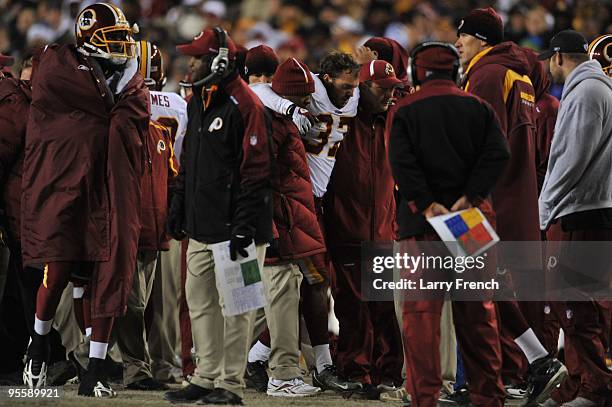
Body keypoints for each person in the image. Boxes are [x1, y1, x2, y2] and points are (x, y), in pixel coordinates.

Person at [21, 2, 149, 397]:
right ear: (87, 39)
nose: (124, 48)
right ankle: (39, 345)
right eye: (114, 39)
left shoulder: (131, 83)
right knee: (58, 268)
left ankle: (95, 368)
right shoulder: (59, 65)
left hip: (111, 190)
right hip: (69, 184)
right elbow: (98, 108)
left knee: (109, 280)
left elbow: (127, 121)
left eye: (126, 39)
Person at [388, 41, 510, 407]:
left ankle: (425, 398)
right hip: (468, 220)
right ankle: (488, 396)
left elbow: (401, 162)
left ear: (415, 73)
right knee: (478, 314)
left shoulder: (404, 109)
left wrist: (426, 203)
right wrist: (470, 196)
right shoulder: (478, 107)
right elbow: (498, 154)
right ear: (456, 71)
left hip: (423, 225)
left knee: (421, 317)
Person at [455, 7, 566, 402]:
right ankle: (533, 361)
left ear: (481, 39)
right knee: (492, 287)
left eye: (463, 36)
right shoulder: (517, 75)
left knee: (474, 288)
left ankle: (485, 379)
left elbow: (476, 146)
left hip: (481, 203)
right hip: (515, 198)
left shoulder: (485, 76)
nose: (458, 43)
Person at [164, 28, 273, 405]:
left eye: (197, 56)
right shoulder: (198, 100)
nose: (190, 63)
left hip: (239, 231)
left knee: (239, 308)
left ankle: (231, 383)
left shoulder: (247, 105)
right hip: (202, 227)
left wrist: (244, 224)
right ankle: (206, 376)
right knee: (200, 303)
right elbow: (190, 161)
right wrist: (179, 204)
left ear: (221, 60)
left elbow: (256, 171)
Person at [251, 51, 363, 393]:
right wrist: (291, 108)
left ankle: (257, 355)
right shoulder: (307, 88)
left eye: (354, 85)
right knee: (310, 281)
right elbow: (258, 90)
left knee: (308, 284)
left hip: (317, 198)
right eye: (344, 85)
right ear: (325, 80)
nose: (350, 91)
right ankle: (317, 365)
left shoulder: (356, 93)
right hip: (296, 200)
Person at [538, 29, 612, 407]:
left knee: (575, 304)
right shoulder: (595, 88)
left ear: (558, 57)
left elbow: (571, 158)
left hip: (579, 210)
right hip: (588, 209)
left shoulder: (586, 91)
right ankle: (581, 380)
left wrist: (545, 207)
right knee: (575, 305)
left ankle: (594, 386)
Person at [323, 59, 404, 398]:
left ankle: (389, 373)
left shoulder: (394, 122)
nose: (388, 93)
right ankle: (356, 372)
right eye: (381, 88)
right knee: (353, 309)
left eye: (391, 88)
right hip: (347, 228)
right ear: (361, 88)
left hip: (384, 230)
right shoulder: (342, 121)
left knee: (386, 308)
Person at [252, 57, 325, 398]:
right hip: (278, 224)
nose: (309, 103)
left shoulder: (278, 116)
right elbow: (262, 180)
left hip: (282, 221)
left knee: (266, 301)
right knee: (281, 297)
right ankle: (281, 374)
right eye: (303, 97)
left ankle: (240, 362)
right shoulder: (274, 121)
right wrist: (272, 229)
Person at [135, 40, 186, 385]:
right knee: (166, 299)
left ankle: (129, 363)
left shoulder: (123, 103)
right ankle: (167, 365)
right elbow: (183, 160)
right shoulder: (179, 105)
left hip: (134, 206)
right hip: (169, 205)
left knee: (128, 293)